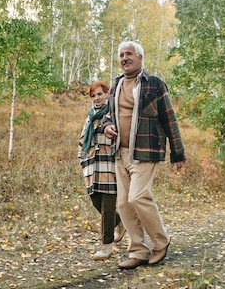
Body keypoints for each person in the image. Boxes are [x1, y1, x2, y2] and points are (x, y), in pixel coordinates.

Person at [103, 41, 186, 270]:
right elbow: (108, 114)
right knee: (123, 204)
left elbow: (169, 118)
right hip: (121, 152)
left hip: (146, 151)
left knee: (137, 197)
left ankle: (161, 241)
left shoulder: (155, 84)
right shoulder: (116, 85)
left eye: (129, 54)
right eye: (121, 55)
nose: (124, 58)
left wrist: (178, 152)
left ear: (140, 57)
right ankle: (138, 250)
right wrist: (107, 125)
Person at [78, 81, 126, 261]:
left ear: (107, 94)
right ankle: (121, 221)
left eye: (100, 94)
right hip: (91, 167)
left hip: (109, 165)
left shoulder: (112, 112)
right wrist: (82, 159)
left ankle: (106, 246)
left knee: (107, 207)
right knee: (96, 201)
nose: (97, 98)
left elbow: (119, 136)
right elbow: (82, 138)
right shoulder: (91, 115)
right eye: (93, 95)